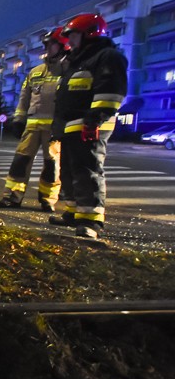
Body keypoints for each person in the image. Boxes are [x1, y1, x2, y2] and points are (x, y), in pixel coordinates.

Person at [48, 13, 128, 239]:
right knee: (70, 171)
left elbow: (111, 92)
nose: (69, 41)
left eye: (73, 35)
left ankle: (91, 221)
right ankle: (73, 213)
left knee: (88, 170)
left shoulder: (107, 57)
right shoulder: (78, 61)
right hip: (72, 127)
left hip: (90, 125)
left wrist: (94, 119)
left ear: (89, 33)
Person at [0, 27, 68, 212]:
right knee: (20, 161)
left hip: (53, 128)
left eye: (52, 45)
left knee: (51, 165)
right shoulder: (35, 72)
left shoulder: (68, 72)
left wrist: (63, 125)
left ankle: (47, 199)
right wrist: (18, 119)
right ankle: (12, 197)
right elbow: (24, 98)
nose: (48, 48)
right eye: (47, 45)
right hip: (32, 126)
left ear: (63, 46)